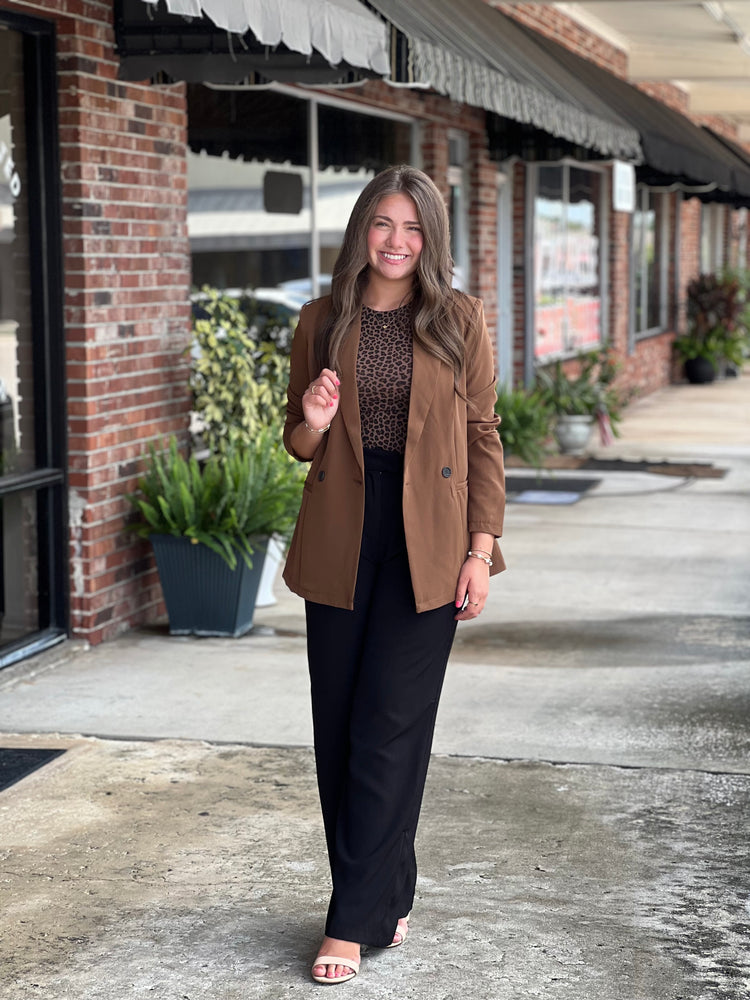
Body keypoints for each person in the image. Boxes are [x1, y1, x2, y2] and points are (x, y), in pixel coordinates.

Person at [282, 164, 505, 985]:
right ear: (361, 230)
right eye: (383, 223)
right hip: (344, 532)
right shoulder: (321, 319)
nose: (397, 241)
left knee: (390, 726)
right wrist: (313, 420)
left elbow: (483, 435)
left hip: (431, 539)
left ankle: (350, 922)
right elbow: (297, 441)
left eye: (413, 227)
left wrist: (481, 550)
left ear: (431, 238)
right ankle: (386, 890)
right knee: (342, 727)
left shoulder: (458, 319)